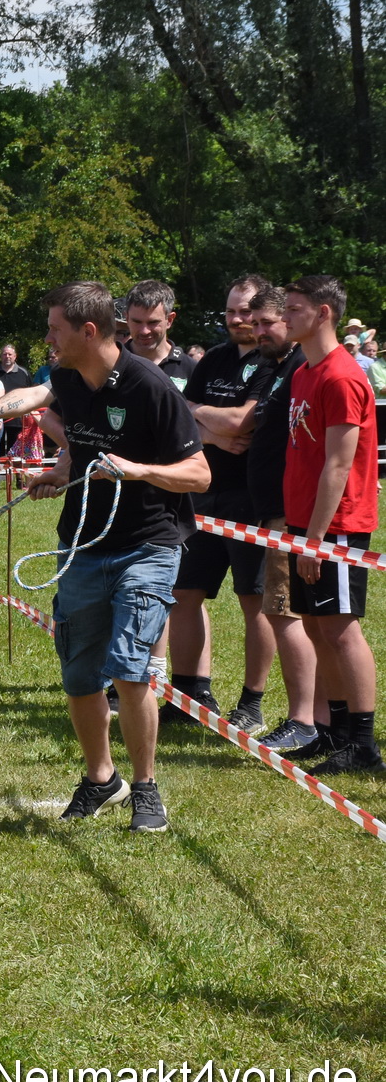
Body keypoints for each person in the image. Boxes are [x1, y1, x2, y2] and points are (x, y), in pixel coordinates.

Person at [0, 281, 208, 833]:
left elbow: (200, 474)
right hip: (83, 545)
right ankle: (101, 779)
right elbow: (36, 401)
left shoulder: (151, 386)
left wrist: (137, 470)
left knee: (130, 673)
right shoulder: (65, 376)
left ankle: (147, 789)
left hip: (149, 545)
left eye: (55, 330)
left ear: (88, 331)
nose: (47, 340)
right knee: (79, 674)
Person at [165, 274, 278, 732]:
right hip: (200, 494)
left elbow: (242, 421)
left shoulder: (274, 362)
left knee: (254, 599)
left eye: (247, 311)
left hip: (250, 498)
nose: (238, 319)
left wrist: (209, 420)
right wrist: (213, 429)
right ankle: (189, 692)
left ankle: (251, 701)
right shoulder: (212, 359)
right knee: (184, 594)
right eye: (231, 311)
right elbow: (183, 415)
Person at [277, 275, 380, 773]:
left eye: (293, 309)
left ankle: (363, 743)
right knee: (318, 627)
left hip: (335, 525)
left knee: (341, 630)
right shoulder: (304, 372)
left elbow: (339, 465)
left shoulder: (341, 376)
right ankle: (333, 732)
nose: (284, 317)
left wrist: (315, 541)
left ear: (322, 313)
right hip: (305, 521)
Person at [241, 287, 323, 753]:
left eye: (268, 322)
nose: (259, 331)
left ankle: (303, 720)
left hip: (286, 512)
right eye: (255, 324)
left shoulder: (299, 368)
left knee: (284, 612)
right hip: (269, 508)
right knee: (290, 614)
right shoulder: (275, 368)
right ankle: (317, 720)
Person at [122, 280, 194, 390]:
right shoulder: (110, 364)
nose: (144, 331)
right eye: (137, 322)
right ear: (126, 318)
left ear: (169, 320)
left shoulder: (191, 369)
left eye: (152, 322)